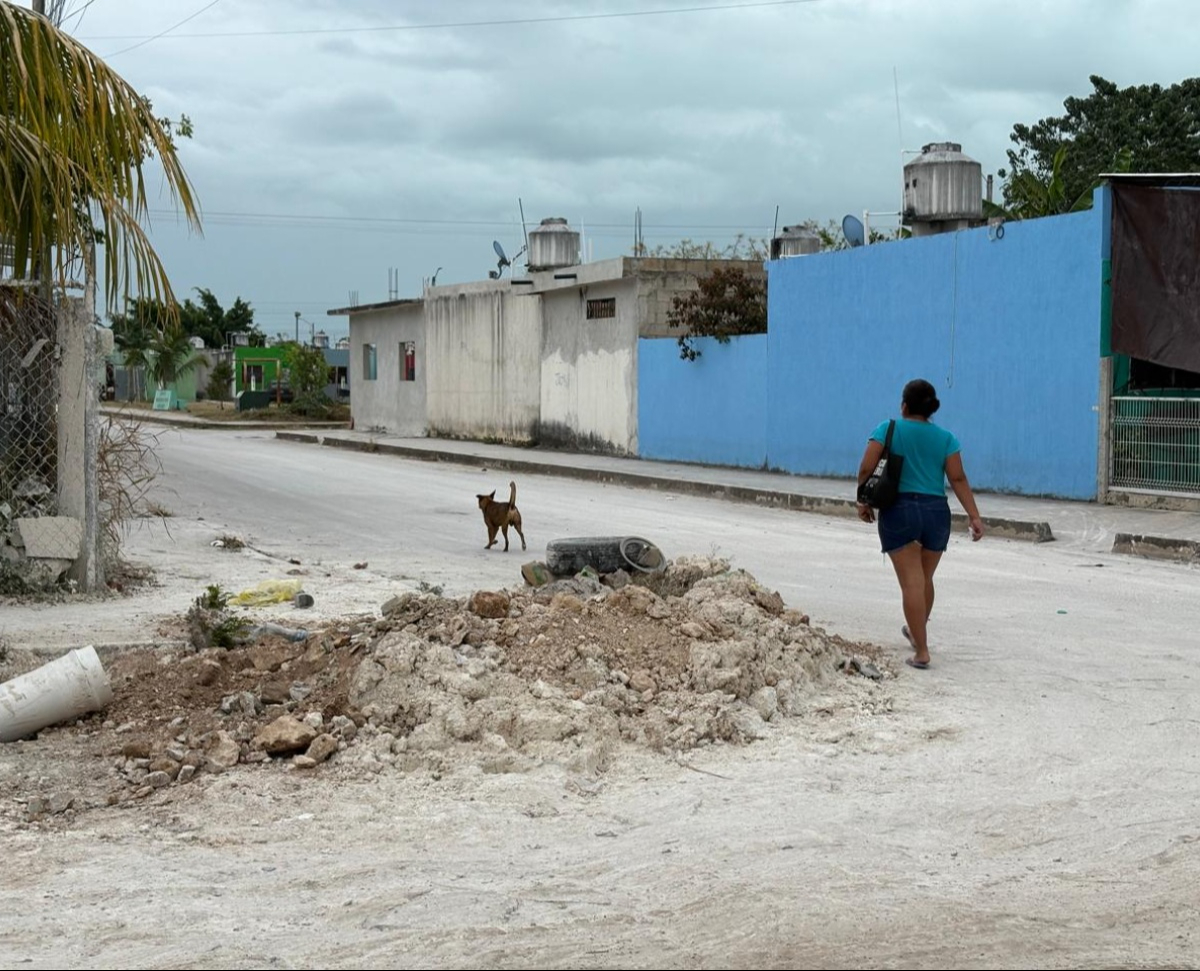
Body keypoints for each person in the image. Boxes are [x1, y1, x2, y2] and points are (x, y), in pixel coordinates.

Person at [855, 379, 984, 670]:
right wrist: (974, 516)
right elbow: (958, 478)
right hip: (936, 512)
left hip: (900, 510)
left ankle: (922, 651)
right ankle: (917, 631)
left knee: (911, 583)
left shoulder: (888, 429)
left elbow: (866, 467)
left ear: (904, 405)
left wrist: (863, 498)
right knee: (924, 580)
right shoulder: (946, 438)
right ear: (931, 409)